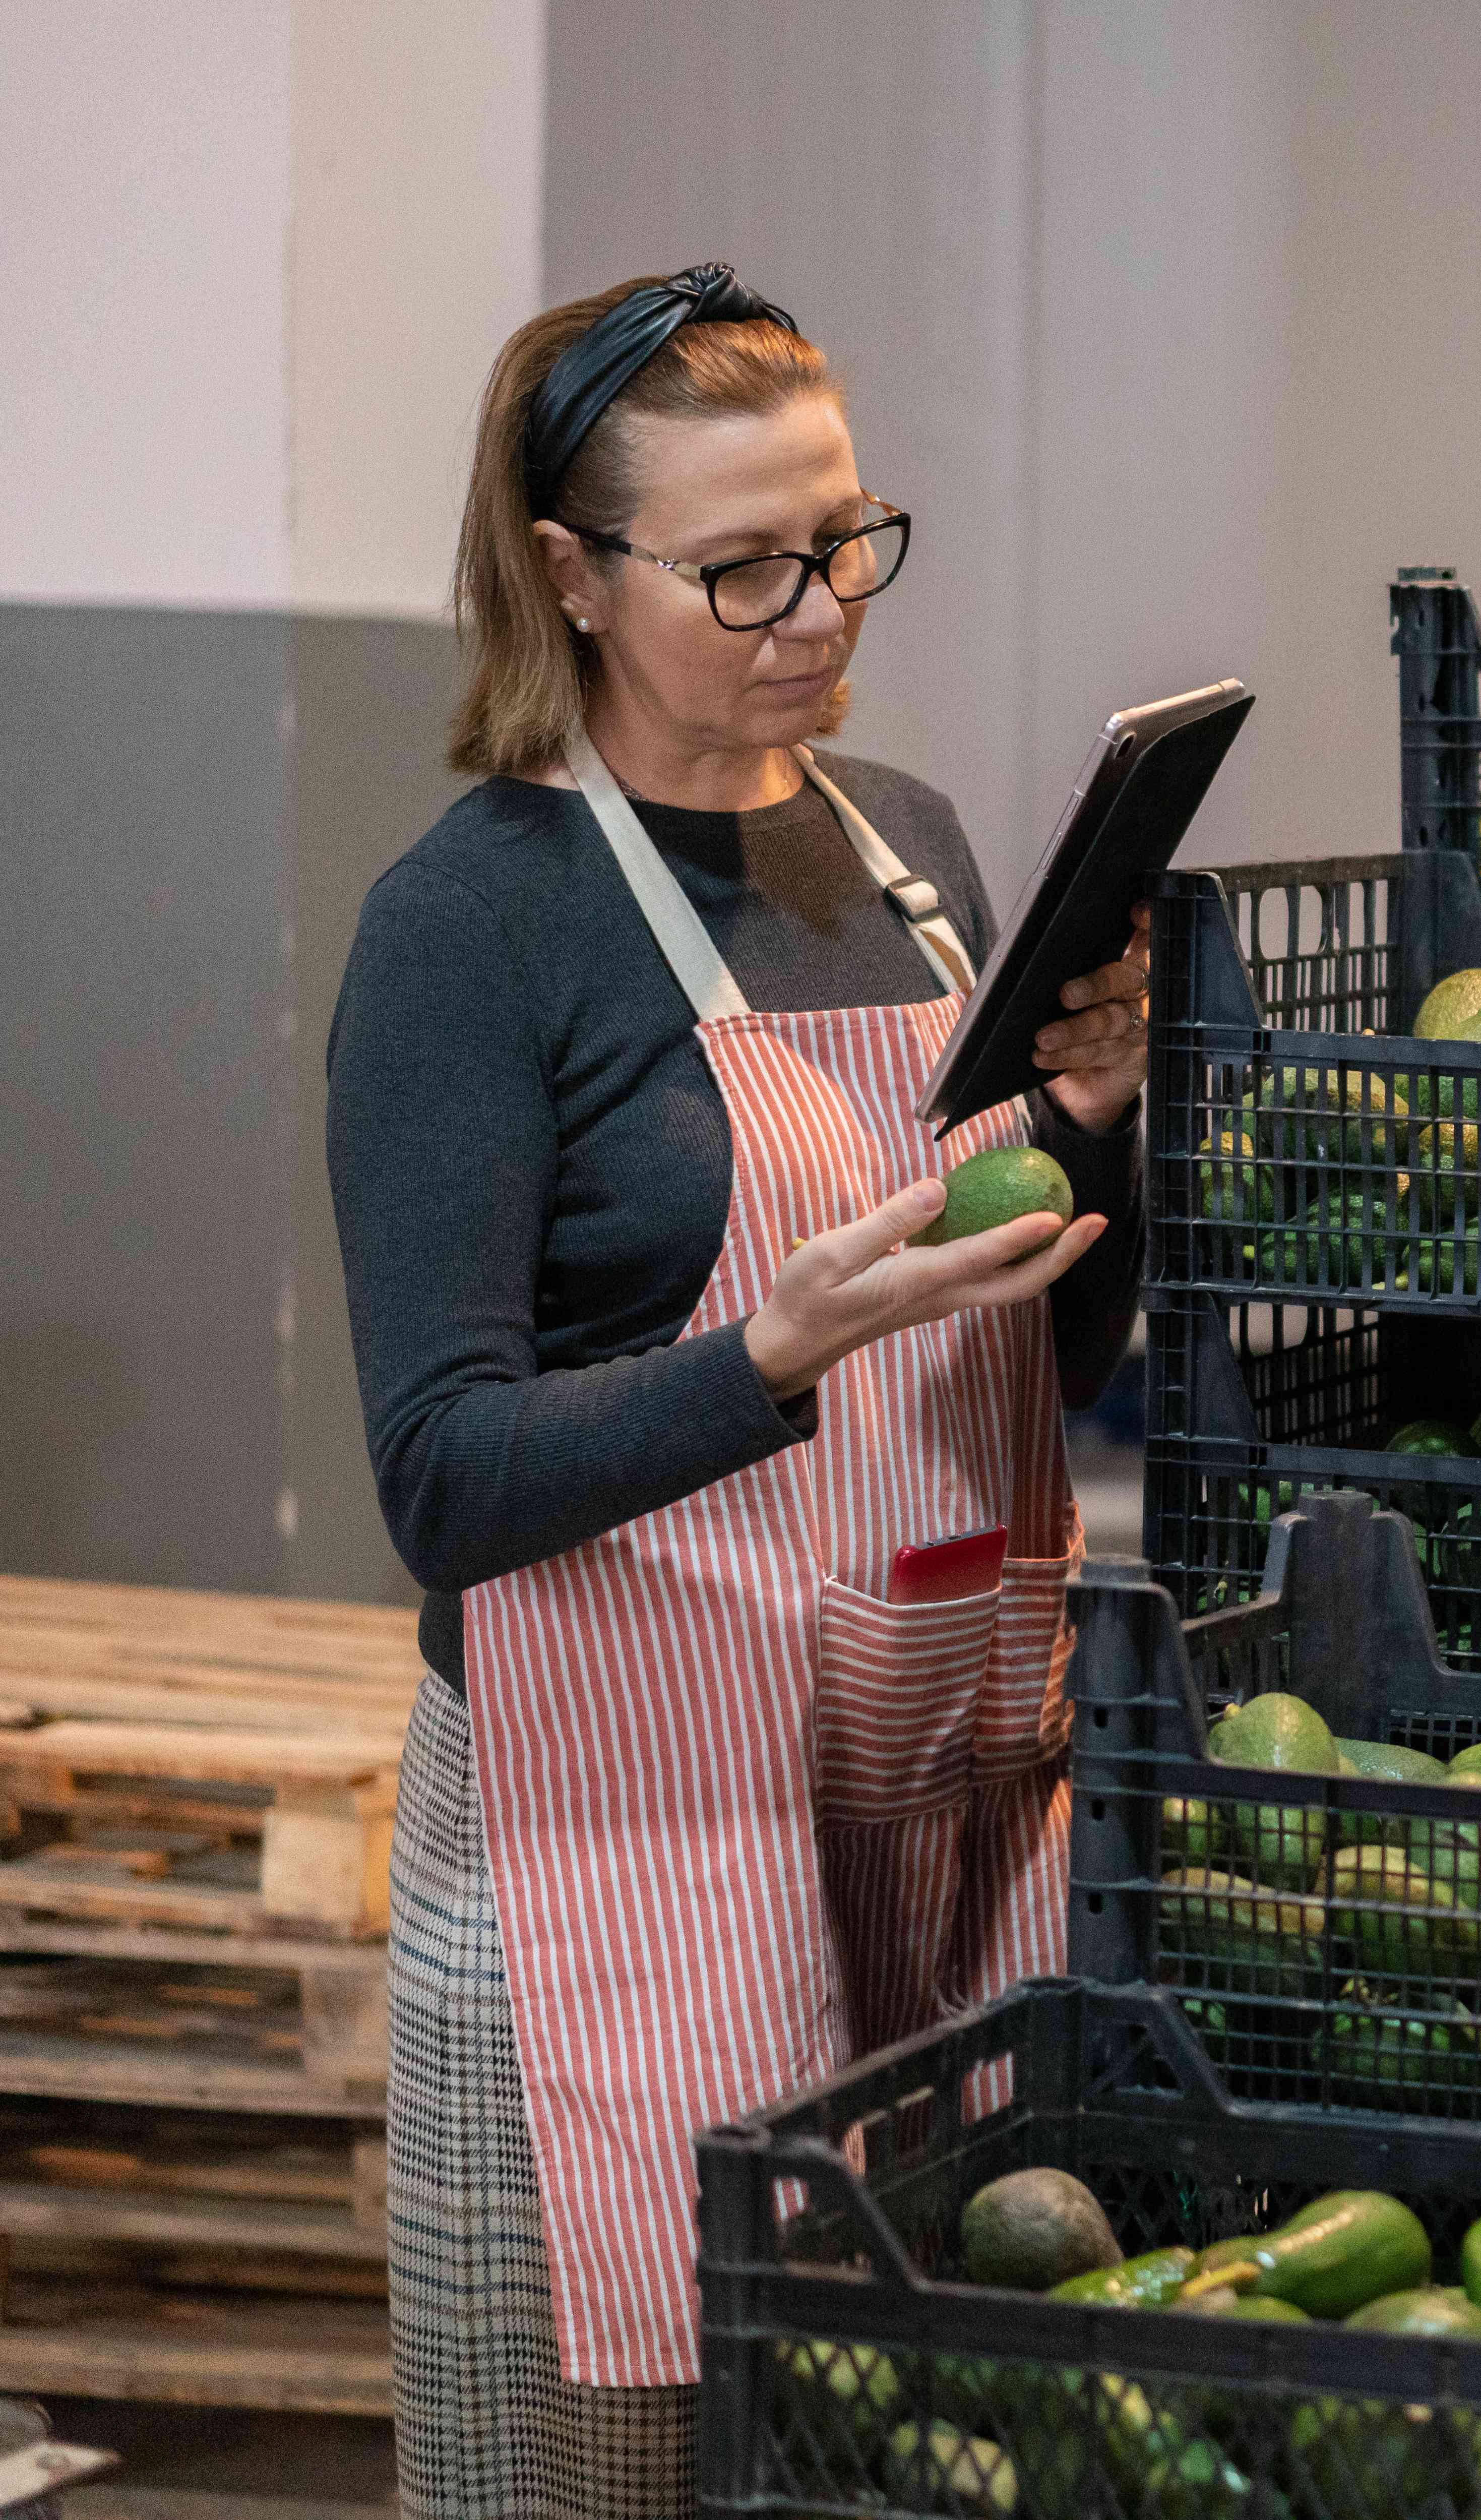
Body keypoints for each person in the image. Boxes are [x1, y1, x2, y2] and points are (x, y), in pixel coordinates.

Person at [326, 266, 1149, 2519]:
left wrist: (1096, 1135)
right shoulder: (473, 926)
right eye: (742, 568)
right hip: (619, 1859)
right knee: (602, 2462)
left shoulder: (915, 857)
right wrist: (768, 1349)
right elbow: (441, 1472)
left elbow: (1042, 1364)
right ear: (573, 578)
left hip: (933, 1808)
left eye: (848, 539)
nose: (817, 612)